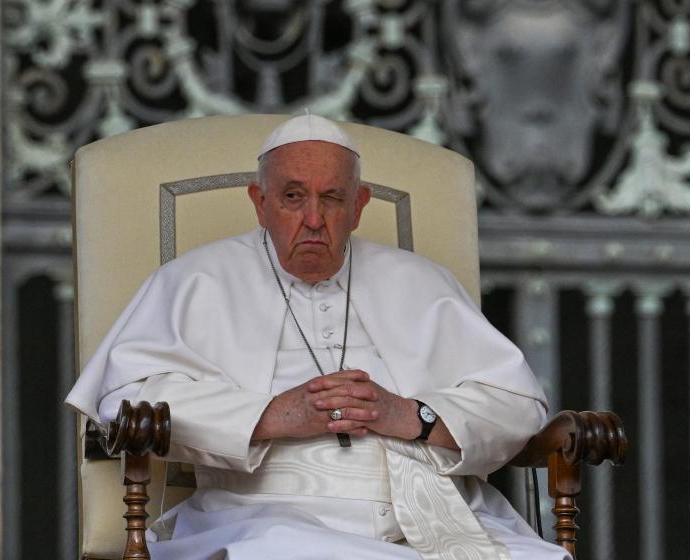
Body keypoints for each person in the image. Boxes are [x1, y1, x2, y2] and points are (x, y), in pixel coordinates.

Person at [66, 114, 570, 559]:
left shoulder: (424, 283)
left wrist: (412, 415)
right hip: (269, 517)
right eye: (292, 197)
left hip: (441, 515)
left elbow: (518, 406)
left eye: (332, 198)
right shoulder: (193, 281)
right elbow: (125, 399)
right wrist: (271, 415)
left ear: (359, 206)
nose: (313, 219)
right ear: (259, 203)